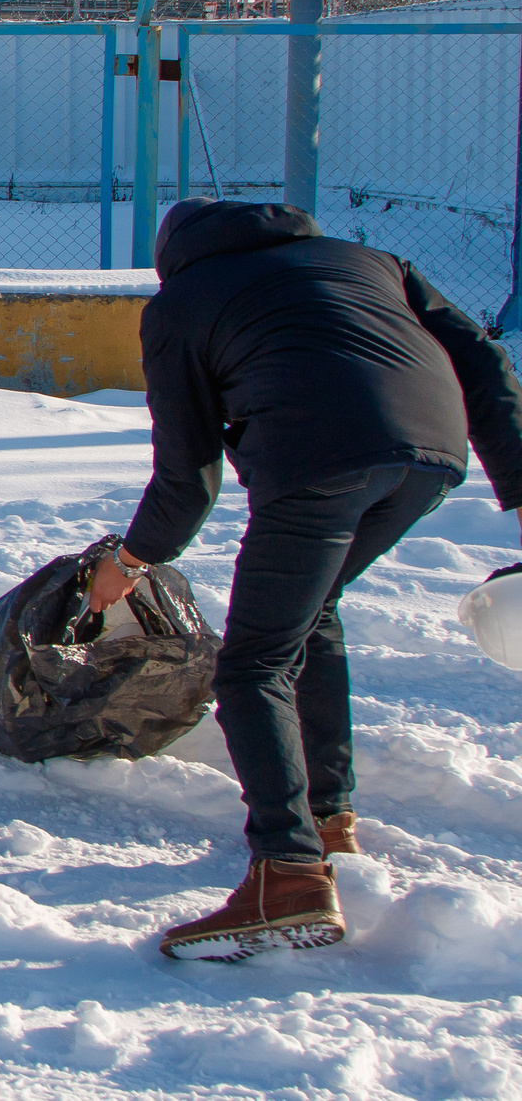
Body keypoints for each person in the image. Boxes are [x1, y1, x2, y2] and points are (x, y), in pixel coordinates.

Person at [90, 197, 522, 961]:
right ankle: (327, 818)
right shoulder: (371, 262)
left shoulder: (181, 305)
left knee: (254, 661)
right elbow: (483, 361)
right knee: (310, 611)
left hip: (318, 459)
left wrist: (128, 563)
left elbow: (187, 479)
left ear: (174, 256)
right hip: (431, 452)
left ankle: (286, 877)